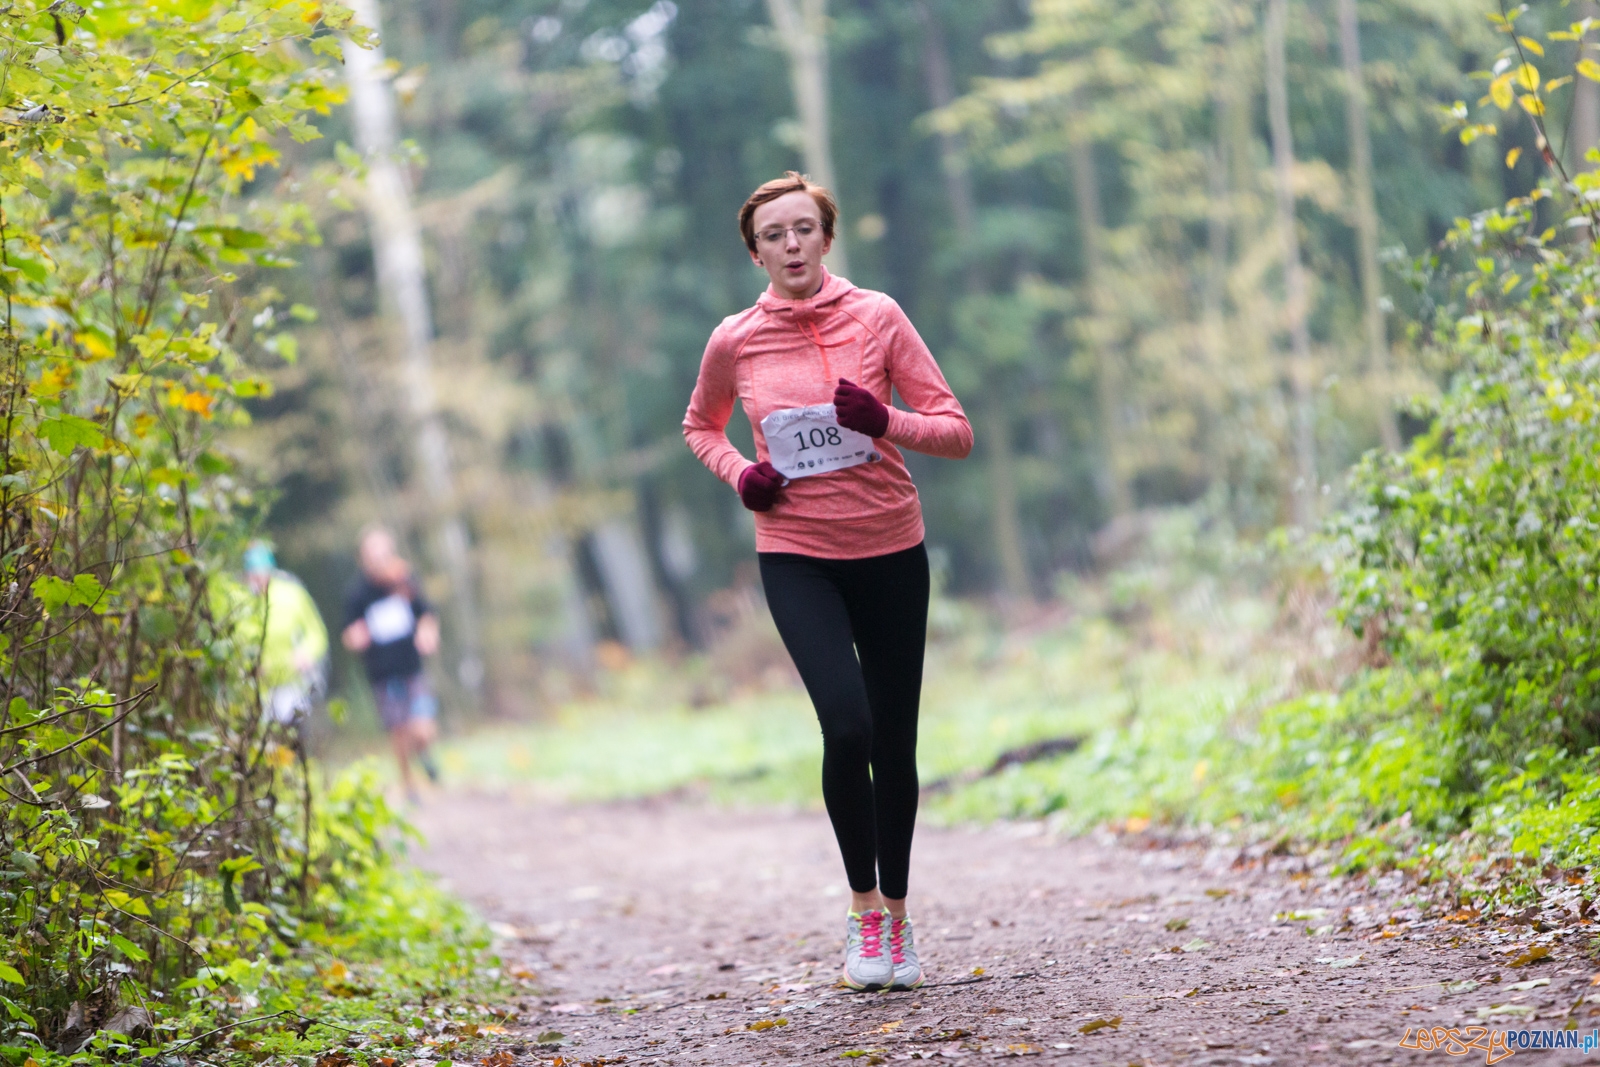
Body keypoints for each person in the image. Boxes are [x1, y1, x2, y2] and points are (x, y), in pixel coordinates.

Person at [682, 172, 973, 991]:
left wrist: (887, 421)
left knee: (893, 738)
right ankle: (864, 912)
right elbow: (700, 425)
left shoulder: (877, 316)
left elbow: (955, 431)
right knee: (845, 726)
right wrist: (742, 474)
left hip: (889, 547)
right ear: (755, 252)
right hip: (796, 551)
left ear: (827, 237)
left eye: (804, 228)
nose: (792, 245)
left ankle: (903, 924)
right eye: (774, 235)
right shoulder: (735, 338)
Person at [341, 526, 441, 800]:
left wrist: (428, 633)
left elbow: (427, 614)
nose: (380, 560)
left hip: (412, 669)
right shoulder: (357, 594)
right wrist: (356, 637)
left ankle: (425, 752)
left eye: (384, 554)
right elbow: (349, 633)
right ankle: (409, 785)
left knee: (422, 728)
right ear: (363, 559)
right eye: (373, 556)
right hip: (382, 675)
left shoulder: (406, 580)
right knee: (399, 734)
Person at [239, 541, 330, 751]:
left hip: (294, 683)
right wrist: (250, 666)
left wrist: (306, 654)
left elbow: (316, 633)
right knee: (267, 744)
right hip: (260, 688)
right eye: (253, 574)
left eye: (261, 573)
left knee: (296, 738)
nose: (258, 580)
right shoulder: (240, 601)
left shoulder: (292, 594)